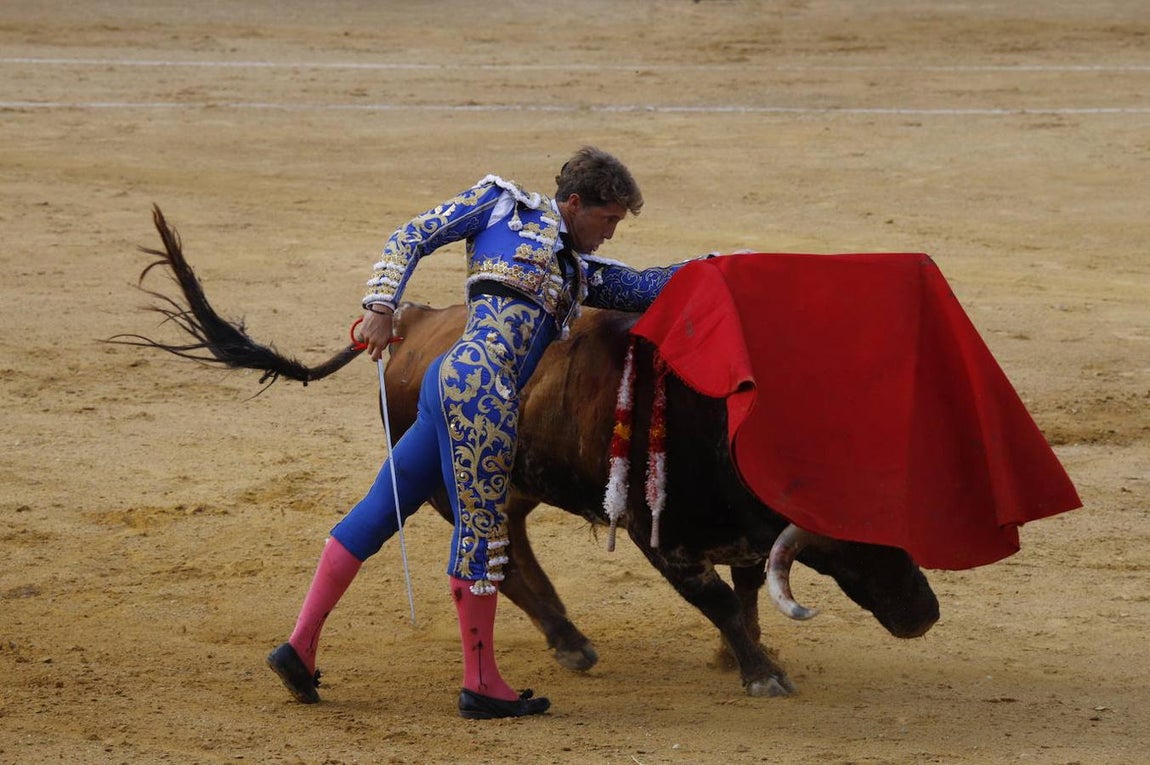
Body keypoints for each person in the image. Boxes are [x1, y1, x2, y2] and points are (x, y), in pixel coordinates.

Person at [267, 146, 686, 719]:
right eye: (607, 218)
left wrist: (718, 265)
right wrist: (380, 306)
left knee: (381, 507)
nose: (611, 232)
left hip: (449, 380)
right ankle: (481, 683)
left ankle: (299, 645)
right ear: (573, 203)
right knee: (483, 536)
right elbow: (414, 233)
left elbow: (645, 287)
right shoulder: (502, 203)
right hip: (485, 393)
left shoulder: (569, 263)